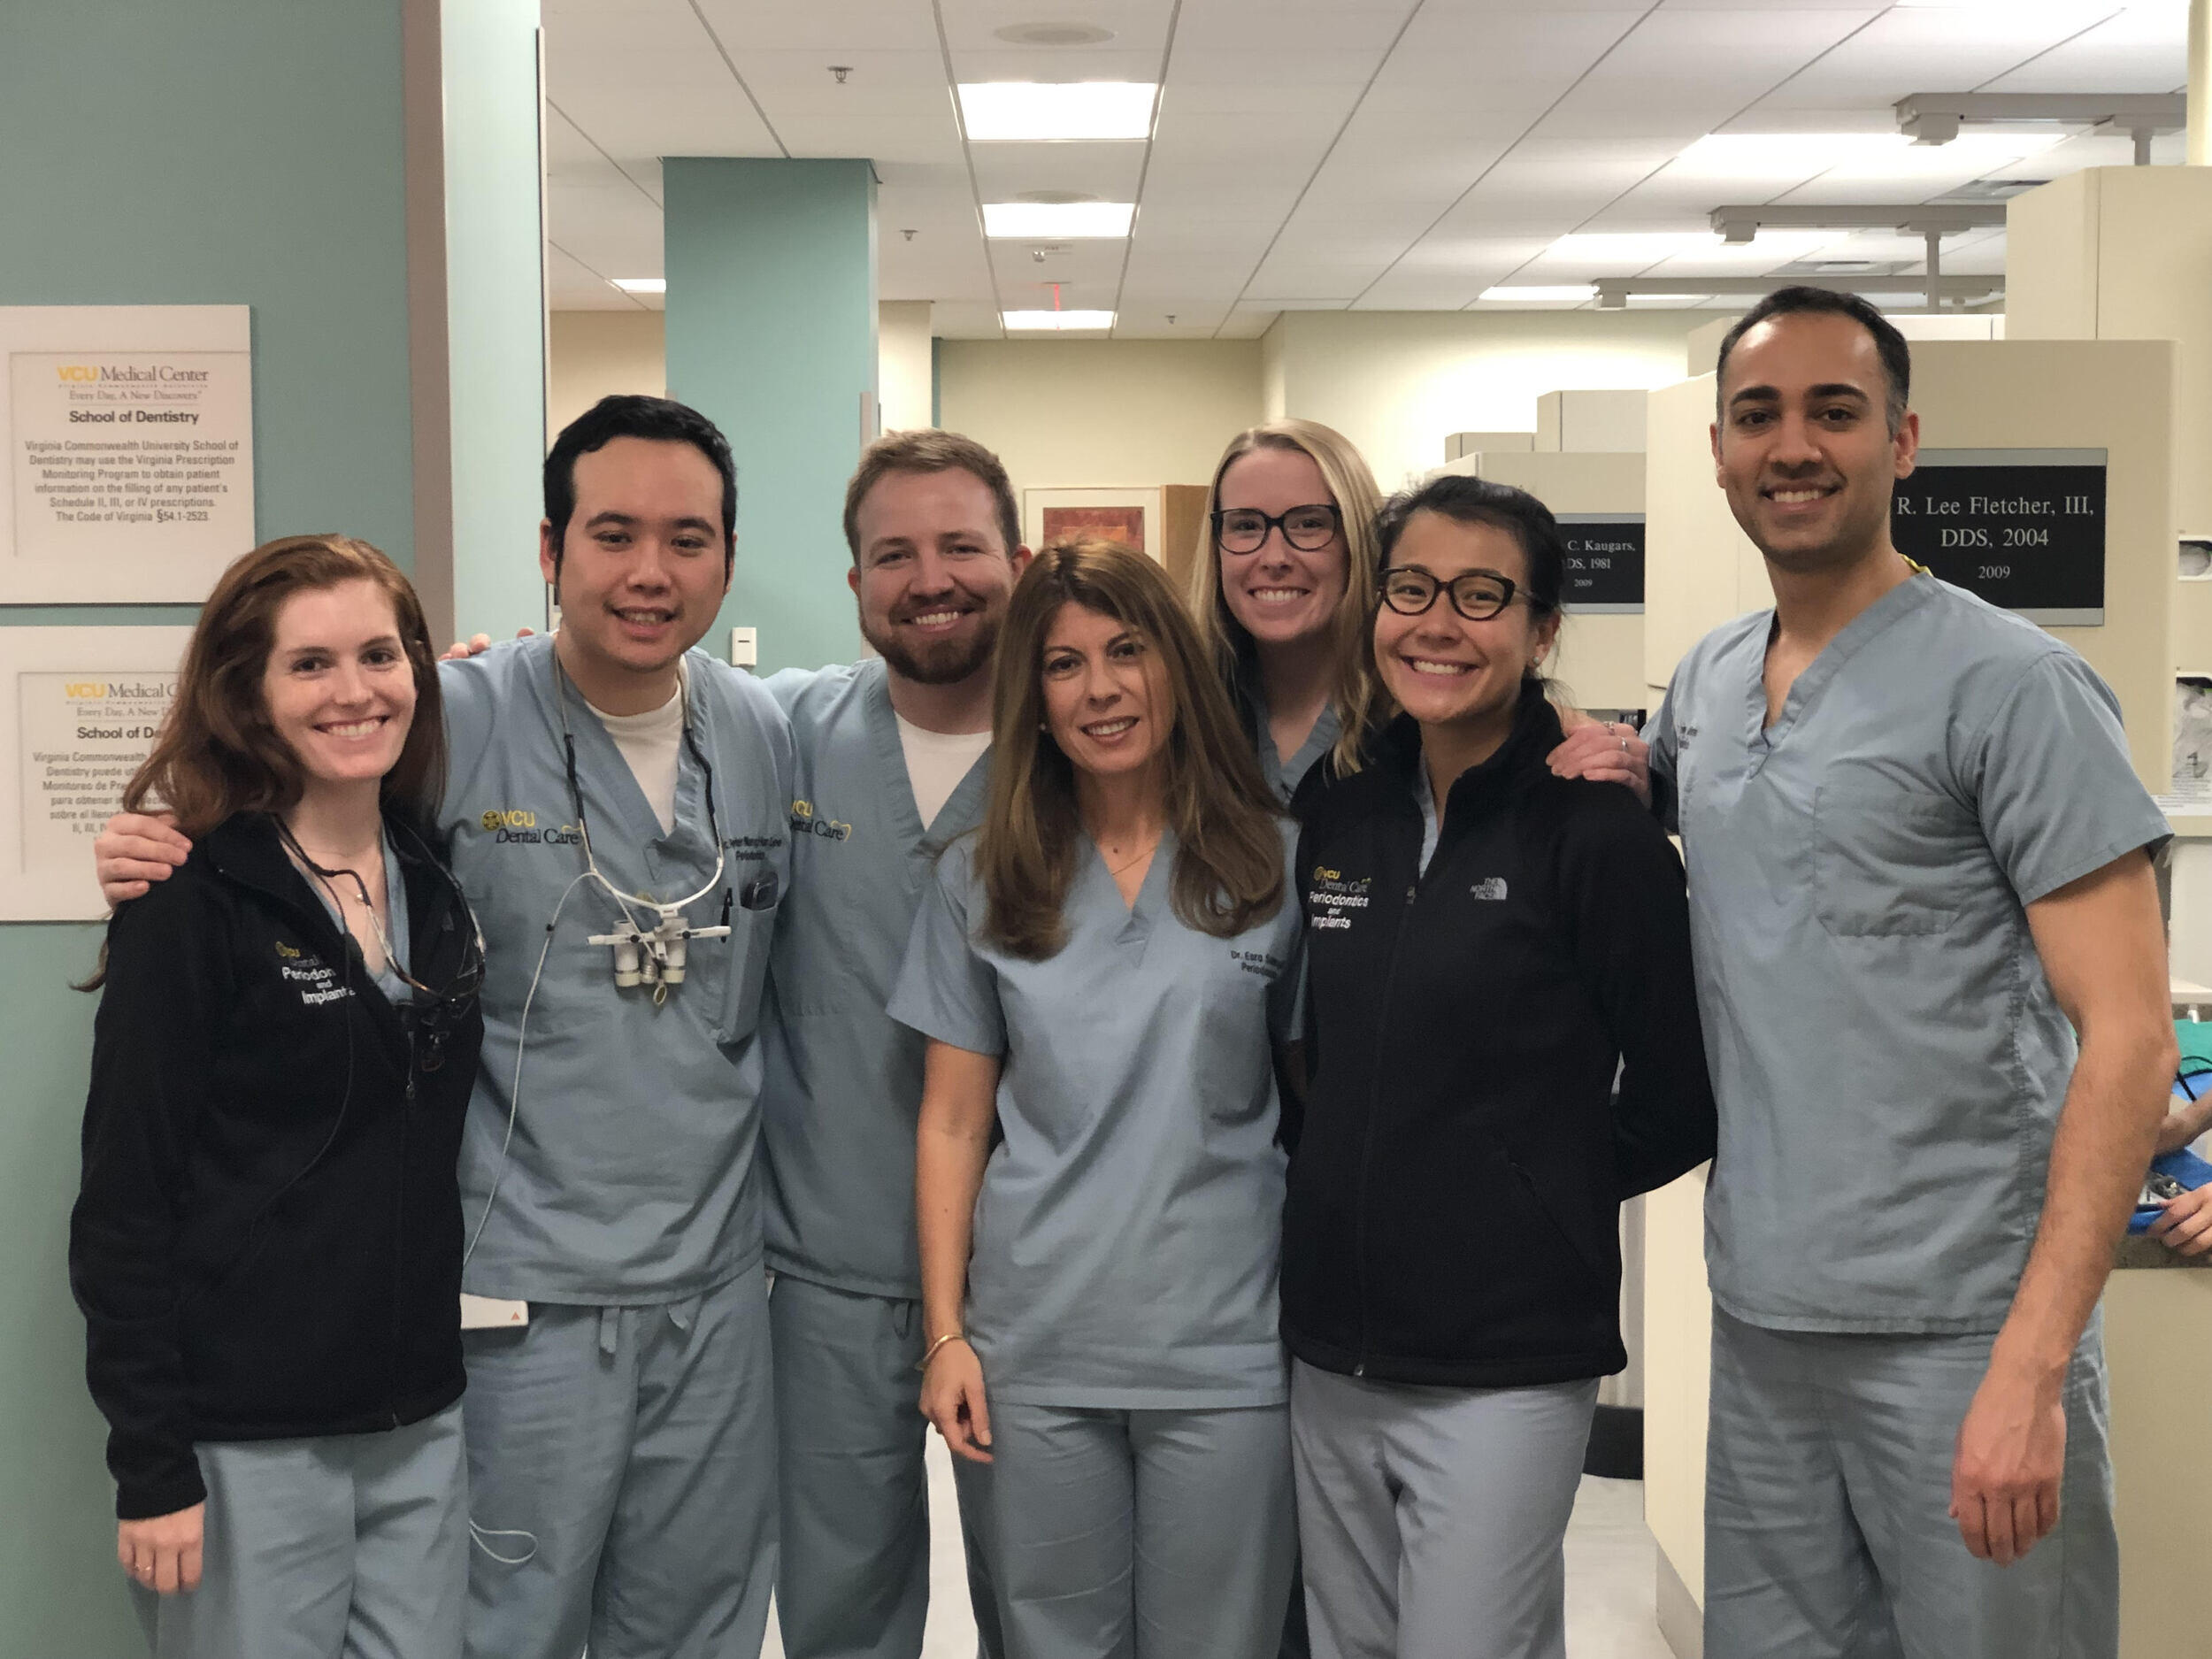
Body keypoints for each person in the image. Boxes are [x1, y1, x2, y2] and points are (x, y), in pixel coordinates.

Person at [95, 395, 796, 1659]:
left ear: (730, 559)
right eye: (614, 531)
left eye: (689, 537)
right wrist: (163, 839)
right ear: (550, 548)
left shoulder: (760, 728)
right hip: (520, 1294)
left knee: (702, 1623)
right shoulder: (456, 714)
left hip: (712, 1293)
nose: (651, 570)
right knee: (505, 1625)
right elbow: (291, 806)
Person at [1648, 288, 2175, 1658]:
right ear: (1717, 450)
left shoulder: (2014, 687)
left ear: (1905, 439)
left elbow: (2128, 1036)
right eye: (1758, 415)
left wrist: (2035, 1360)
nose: (1795, 445)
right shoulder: (1704, 689)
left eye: (1836, 410)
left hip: (1964, 1329)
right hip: (1765, 1319)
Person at [1284, 476, 1716, 1659]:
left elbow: (1681, 1095)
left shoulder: (1595, 831)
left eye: (1483, 596)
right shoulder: (1342, 802)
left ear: (1541, 629)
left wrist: (1529, 1191)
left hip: (1504, 1357)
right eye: (1412, 588)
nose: (1438, 623)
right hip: (1331, 1343)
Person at [72, 534, 486, 1659]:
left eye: (380, 655)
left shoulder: (436, 879)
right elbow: (124, 1206)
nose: (355, 690)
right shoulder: (189, 899)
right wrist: (152, 1463)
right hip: (246, 1440)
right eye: (310, 665)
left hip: (418, 1417)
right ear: (247, 693)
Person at [895, 539, 1301, 1659]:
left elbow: (1318, 1106)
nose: (1102, 689)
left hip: (1224, 1348)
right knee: (1048, 1642)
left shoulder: (1273, 867)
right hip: (1035, 1347)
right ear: (1033, 695)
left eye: (1128, 651)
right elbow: (952, 1120)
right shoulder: (984, 874)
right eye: (1065, 665)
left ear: (1176, 661)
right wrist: (945, 1337)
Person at [756, 428, 1027, 1659]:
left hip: (1038, 1271)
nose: (933, 577)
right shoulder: (784, 733)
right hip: (828, 1258)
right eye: (894, 552)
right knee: (839, 1606)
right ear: (854, 578)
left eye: (963, 544)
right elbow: (589, 714)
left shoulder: (1091, 739)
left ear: (1018, 558)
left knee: (1046, 1601)